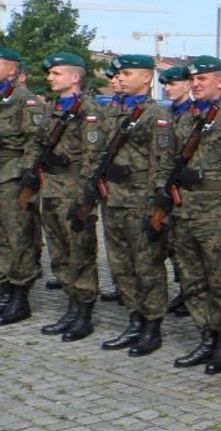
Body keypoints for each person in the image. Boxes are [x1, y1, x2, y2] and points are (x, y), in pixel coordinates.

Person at [164, 56, 221, 376]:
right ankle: (205, 336)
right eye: (193, 79)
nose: (196, 84)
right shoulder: (185, 120)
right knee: (192, 280)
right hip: (185, 210)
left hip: (217, 212)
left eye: (203, 78)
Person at [90, 54, 174, 355]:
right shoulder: (111, 111)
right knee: (121, 266)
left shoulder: (156, 115)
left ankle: (152, 326)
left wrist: (157, 206)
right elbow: (97, 150)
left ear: (147, 78)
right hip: (113, 199)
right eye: (119, 74)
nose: (120, 79)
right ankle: (134, 319)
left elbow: (163, 162)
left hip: (141, 202)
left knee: (147, 266)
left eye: (127, 74)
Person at [25, 53, 104, 340]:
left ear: (75, 77)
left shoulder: (89, 110)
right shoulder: (53, 107)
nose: (49, 78)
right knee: (59, 253)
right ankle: (71, 306)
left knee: (80, 251)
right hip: (51, 188)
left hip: (74, 190)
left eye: (56, 73)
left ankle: (84, 313)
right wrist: (31, 167)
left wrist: (85, 195)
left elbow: (94, 155)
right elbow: (37, 142)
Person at [0, 47, 47, 323]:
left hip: (13, 174)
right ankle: (5, 290)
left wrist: (29, 171)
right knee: (2, 238)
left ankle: (20, 298)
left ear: (12, 70)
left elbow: (36, 140)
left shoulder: (25, 100)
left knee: (19, 236)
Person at [159, 64, 193, 319]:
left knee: (184, 246)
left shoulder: (195, 115)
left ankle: (188, 292)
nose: (168, 89)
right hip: (166, 188)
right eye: (166, 85)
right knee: (170, 243)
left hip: (187, 193)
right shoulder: (165, 114)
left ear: (187, 85)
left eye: (173, 84)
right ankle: (183, 290)